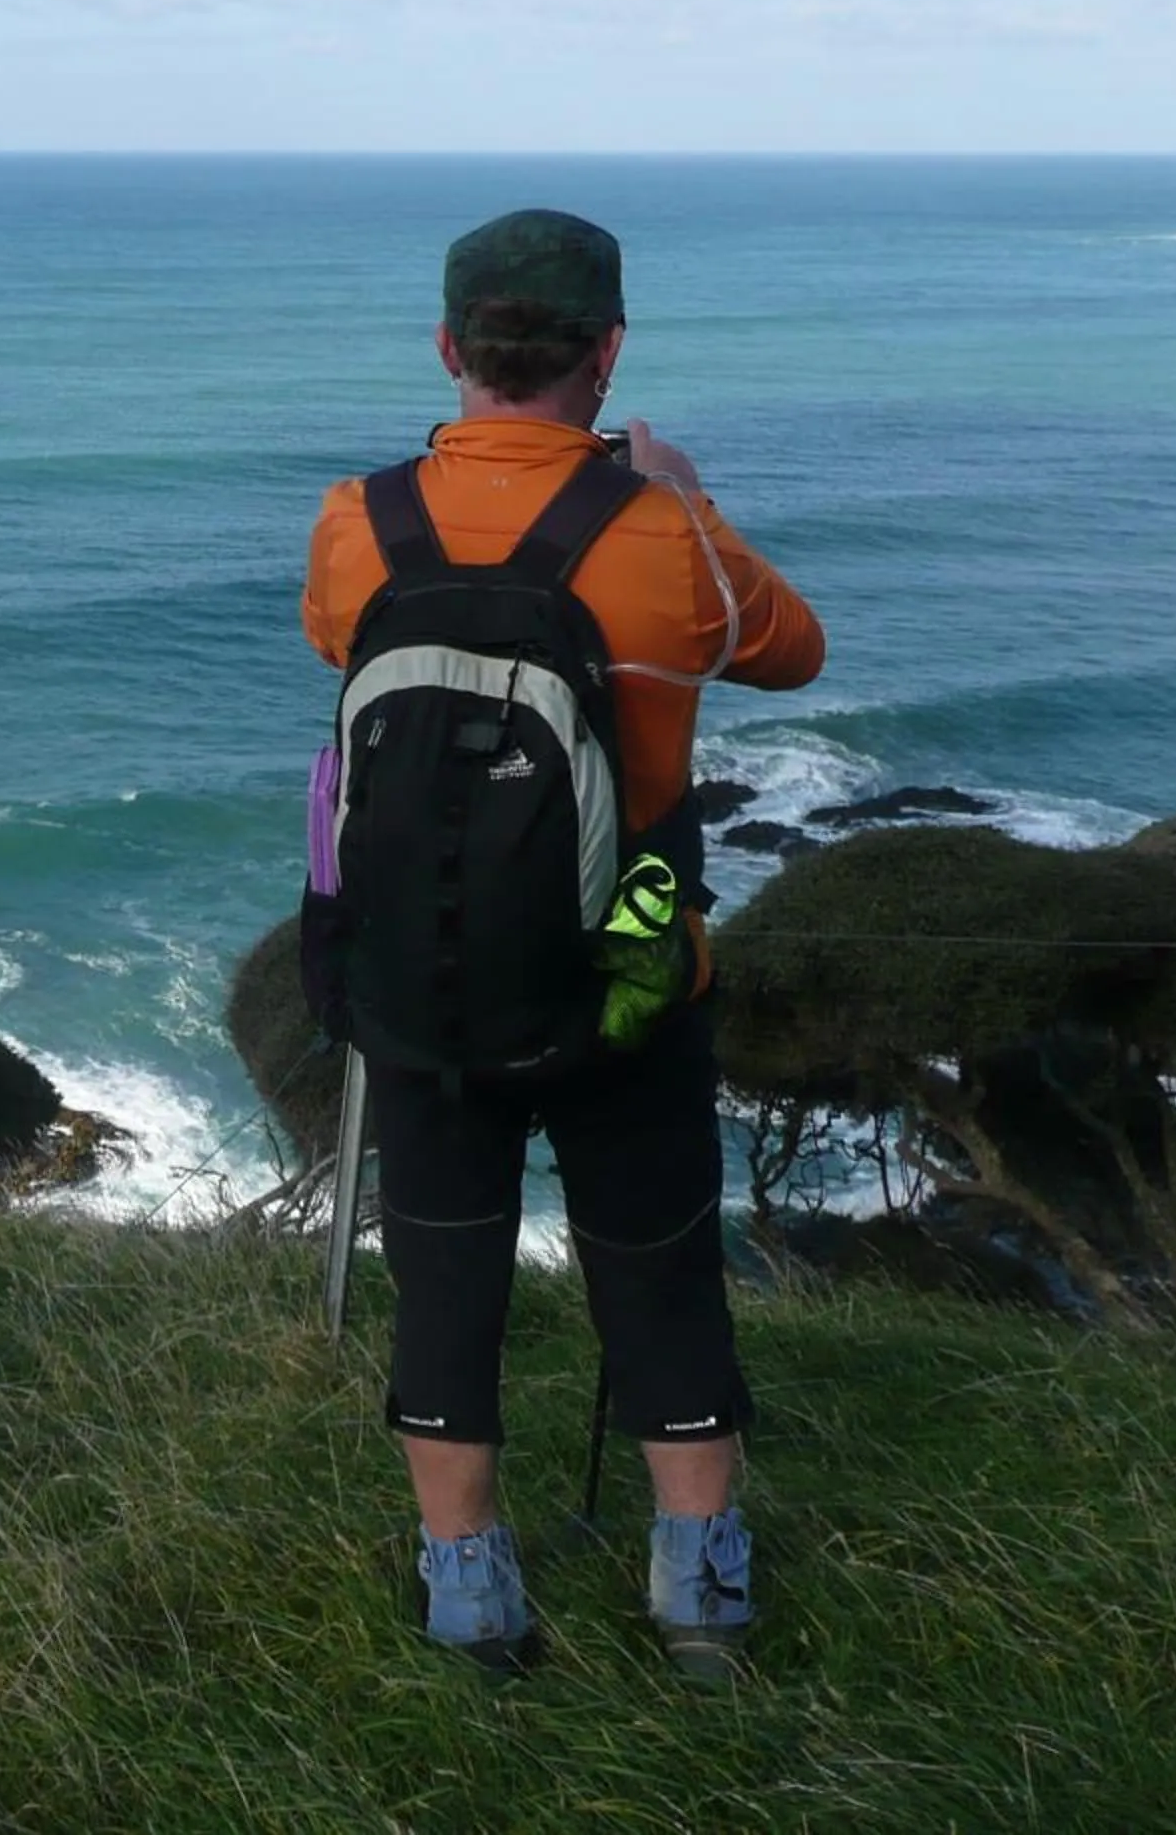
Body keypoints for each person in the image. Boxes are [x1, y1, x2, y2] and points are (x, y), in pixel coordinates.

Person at [300, 208, 824, 1680]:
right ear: (610, 352)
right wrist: (690, 500)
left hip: (423, 979)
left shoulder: (357, 521)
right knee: (659, 1269)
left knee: (445, 1278)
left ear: (449, 349)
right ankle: (701, 1599)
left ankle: (470, 1602)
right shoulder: (664, 538)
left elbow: (335, 642)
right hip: (631, 979)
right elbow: (794, 652)